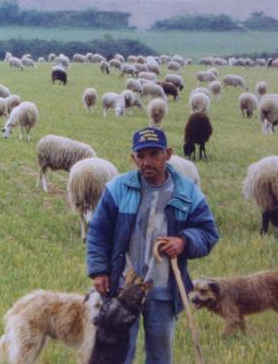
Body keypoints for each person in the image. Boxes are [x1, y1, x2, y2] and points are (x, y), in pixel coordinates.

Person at [86, 127, 220, 364]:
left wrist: (185, 241)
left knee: (160, 356)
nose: (147, 162)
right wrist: (99, 271)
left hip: (163, 291)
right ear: (133, 158)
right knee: (116, 353)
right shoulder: (118, 188)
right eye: (141, 155)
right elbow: (98, 232)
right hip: (122, 288)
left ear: (168, 154)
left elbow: (208, 234)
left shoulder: (187, 192)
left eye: (154, 154)